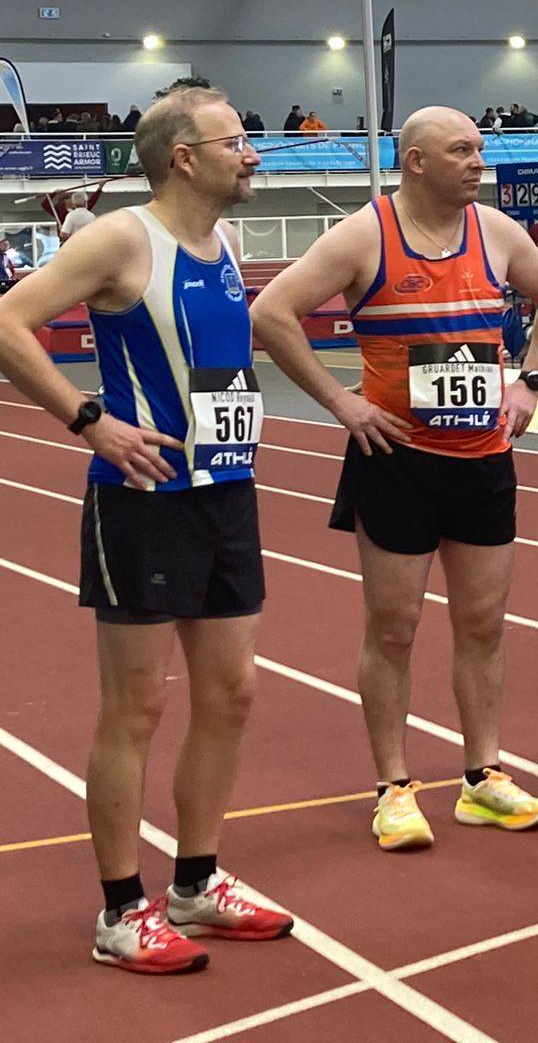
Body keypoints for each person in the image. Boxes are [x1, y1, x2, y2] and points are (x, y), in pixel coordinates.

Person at [0, 88, 294, 972]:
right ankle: (121, 909)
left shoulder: (225, 242)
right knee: (137, 706)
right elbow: (7, 322)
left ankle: (196, 884)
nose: (252, 153)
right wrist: (89, 420)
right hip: (144, 497)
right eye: (236, 141)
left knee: (231, 691)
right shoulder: (123, 240)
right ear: (183, 157)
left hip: (226, 492)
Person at [250, 107, 538, 851]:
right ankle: (393, 788)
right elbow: (272, 312)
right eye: (462, 151)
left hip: (483, 458)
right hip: (397, 460)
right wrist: (340, 403)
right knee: (394, 628)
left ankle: (483, 777)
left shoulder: (496, 231)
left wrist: (530, 380)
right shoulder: (365, 235)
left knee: (483, 624)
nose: (478, 162)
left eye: (480, 150)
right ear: (417, 161)